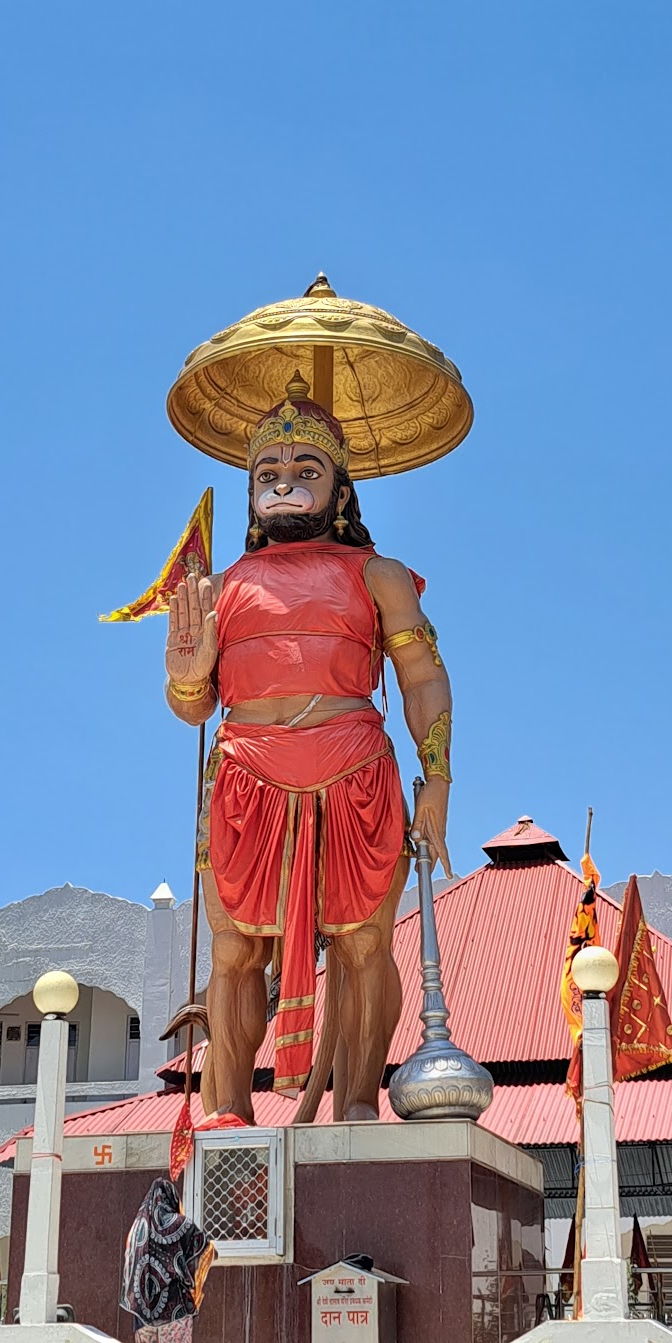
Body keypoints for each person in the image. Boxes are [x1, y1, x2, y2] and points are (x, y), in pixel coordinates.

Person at [164, 387, 452, 1124]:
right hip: (245, 781)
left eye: (305, 468)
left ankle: (356, 1104)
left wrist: (438, 780)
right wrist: (187, 673)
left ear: (341, 488)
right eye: (267, 473)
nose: (284, 483)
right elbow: (194, 707)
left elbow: (421, 677)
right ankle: (228, 1111)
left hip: (354, 774)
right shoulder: (222, 587)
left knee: (363, 947)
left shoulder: (377, 575)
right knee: (232, 957)